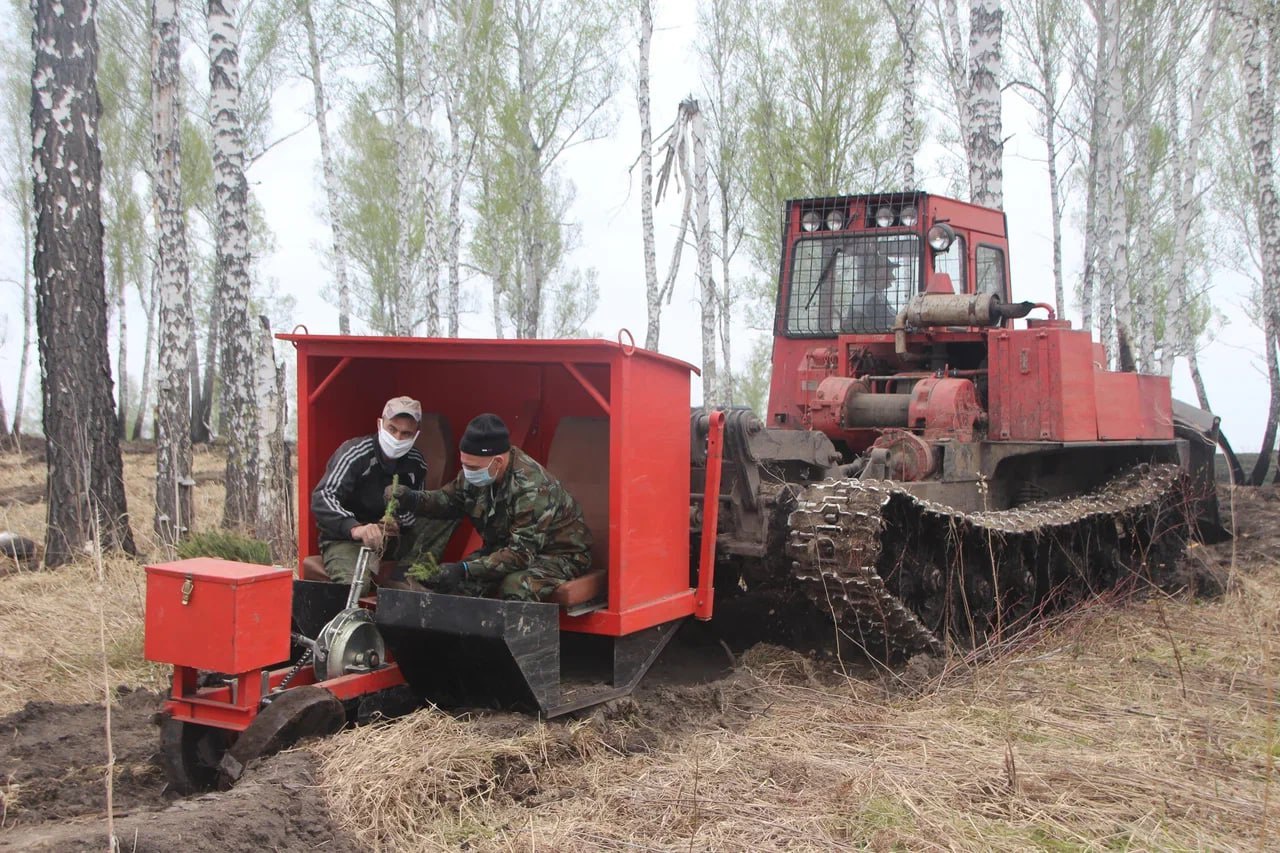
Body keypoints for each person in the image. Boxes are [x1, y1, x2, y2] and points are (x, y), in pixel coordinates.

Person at [387, 412, 592, 602]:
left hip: (558, 556)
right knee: (448, 583)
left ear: (498, 462)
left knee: (515, 587)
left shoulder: (533, 488)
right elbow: (447, 500)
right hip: (504, 549)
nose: (467, 473)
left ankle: (512, 642)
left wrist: (465, 568)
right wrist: (411, 499)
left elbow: (520, 555)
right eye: (464, 465)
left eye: (473, 467)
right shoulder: (477, 474)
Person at [311, 396, 428, 594]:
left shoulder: (417, 464)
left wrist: (397, 524)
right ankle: (342, 624)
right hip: (345, 539)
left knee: (422, 587)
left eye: (406, 433)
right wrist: (356, 528)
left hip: (390, 542)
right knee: (355, 588)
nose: (398, 438)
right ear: (380, 424)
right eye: (392, 429)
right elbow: (323, 497)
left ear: (416, 435)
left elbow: (418, 508)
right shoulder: (354, 453)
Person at [844, 250, 899, 331]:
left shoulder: (873, 293)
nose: (893, 277)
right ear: (875, 273)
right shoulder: (869, 297)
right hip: (867, 340)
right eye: (888, 271)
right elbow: (891, 320)